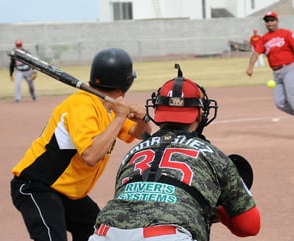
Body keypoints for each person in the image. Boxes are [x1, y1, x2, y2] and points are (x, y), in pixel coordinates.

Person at [88, 65, 261, 241]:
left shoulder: (132, 153)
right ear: (200, 113)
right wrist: (216, 207)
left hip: (105, 233)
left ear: (157, 109)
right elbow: (249, 226)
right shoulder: (213, 155)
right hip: (167, 236)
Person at [10, 48, 152, 241]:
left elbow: (142, 134)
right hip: (37, 186)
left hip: (69, 193)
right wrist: (120, 116)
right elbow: (92, 156)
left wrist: (142, 119)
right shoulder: (82, 105)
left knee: (97, 234)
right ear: (127, 82)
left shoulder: (108, 107)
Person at [246, 11, 294, 140]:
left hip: (290, 68)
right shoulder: (264, 39)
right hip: (276, 73)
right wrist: (250, 67)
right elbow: (256, 53)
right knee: (280, 103)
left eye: (272, 20)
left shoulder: (286, 34)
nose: (270, 23)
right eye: (267, 20)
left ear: (277, 21)